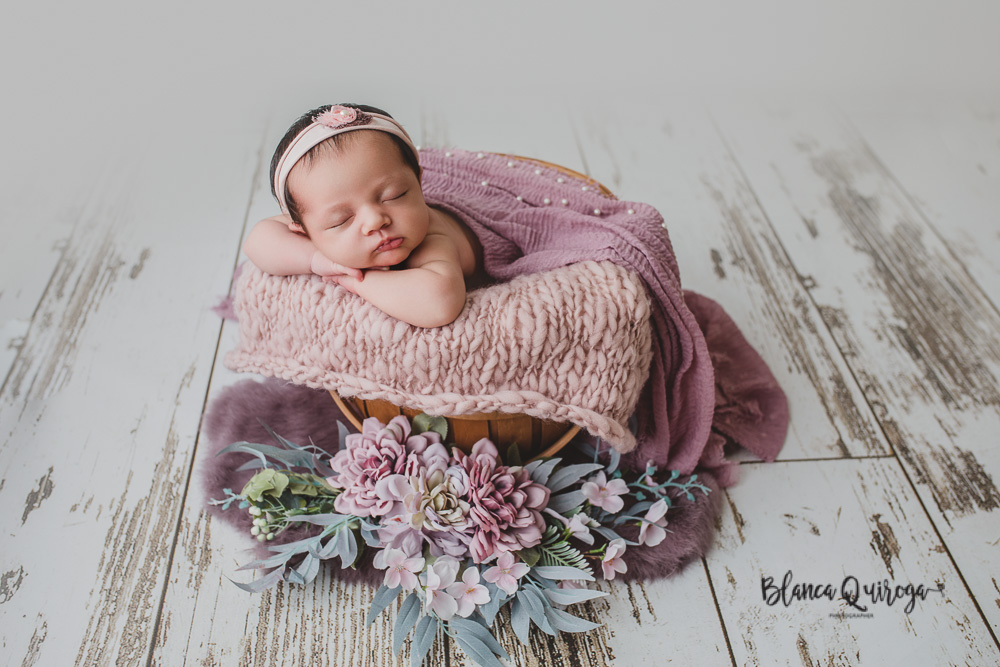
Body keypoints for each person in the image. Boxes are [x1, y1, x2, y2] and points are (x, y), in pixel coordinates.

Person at [242, 103, 490, 328]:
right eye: (342, 219)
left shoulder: (431, 238)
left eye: (395, 196)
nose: (375, 220)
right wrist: (320, 261)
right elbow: (258, 241)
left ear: (419, 181)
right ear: (303, 230)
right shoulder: (316, 217)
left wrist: (355, 279)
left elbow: (439, 305)